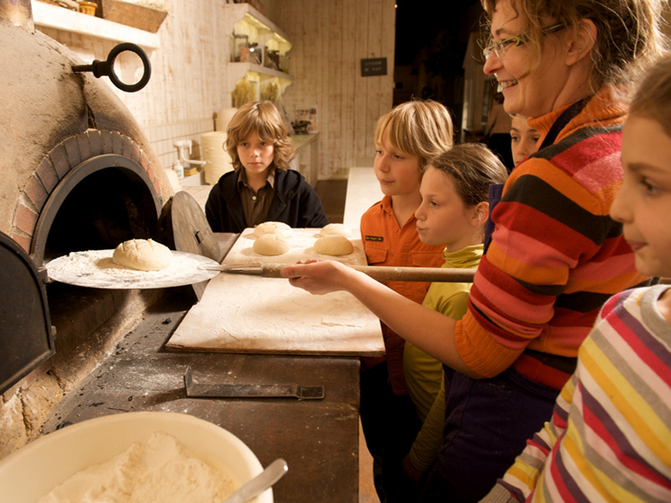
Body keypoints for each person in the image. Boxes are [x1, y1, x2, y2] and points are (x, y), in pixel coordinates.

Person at [281, 0, 666, 500]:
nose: (489, 63)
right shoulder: (625, 147)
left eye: (508, 40)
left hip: (506, 420)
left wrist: (349, 278)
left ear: (574, 41)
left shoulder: (557, 177)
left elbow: (477, 352)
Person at [481, 51, 671, 503]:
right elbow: (561, 426)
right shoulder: (622, 314)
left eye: (651, 184)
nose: (620, 208)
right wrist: (511, 490)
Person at [359, 99, 454, 502]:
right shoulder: (369, 220)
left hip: (428, 385)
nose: (381, 165)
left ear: (430, 161)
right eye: (380, 151)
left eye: (397, 156)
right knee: (384, 462)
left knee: (424, 474)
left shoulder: (447, 229)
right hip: (377, 373)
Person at [401, 144, 508, 496]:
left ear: (480, 214)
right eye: (422, 199)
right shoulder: (455, 261)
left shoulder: (467, 289)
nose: (418, 213)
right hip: (419, 415)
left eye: (434, 203)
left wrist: (419, 456)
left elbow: (451, 396)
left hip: (441, 434)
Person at [205, 100, 328, 233]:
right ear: (235, 147)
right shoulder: (220, 193)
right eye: (245, 144)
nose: (254, 154)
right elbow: (211, 243)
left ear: (276, 145)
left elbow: (318, 238)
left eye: (262, 143)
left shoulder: (300, 191)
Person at [484, 92, 514, 170]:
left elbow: (490, 122)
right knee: (507, 157)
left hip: (497, 134)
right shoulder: (511, 107)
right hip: (508, 134)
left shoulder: (496, 108)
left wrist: (486, 133)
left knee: (496, 156)